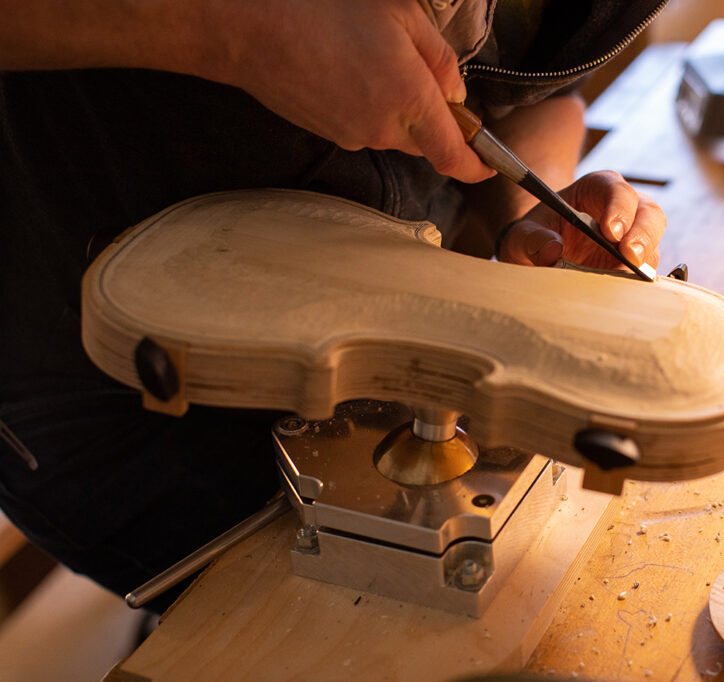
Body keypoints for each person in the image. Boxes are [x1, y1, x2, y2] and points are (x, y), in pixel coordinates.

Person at [0, 0, 668, 610]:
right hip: (114, 362)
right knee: (268, 627)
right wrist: (241, 33)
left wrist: (535, 212)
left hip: (386, 322)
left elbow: (530, 93)